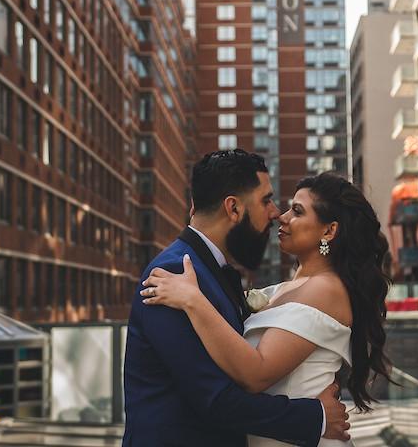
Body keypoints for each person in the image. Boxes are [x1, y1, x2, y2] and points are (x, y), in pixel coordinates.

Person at [142, 171, 393, 446]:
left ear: (329, 230)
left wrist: (192, 300)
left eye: (297, 211)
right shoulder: (282, 290)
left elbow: (256, 375)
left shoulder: (327, 289)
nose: (281, 217)